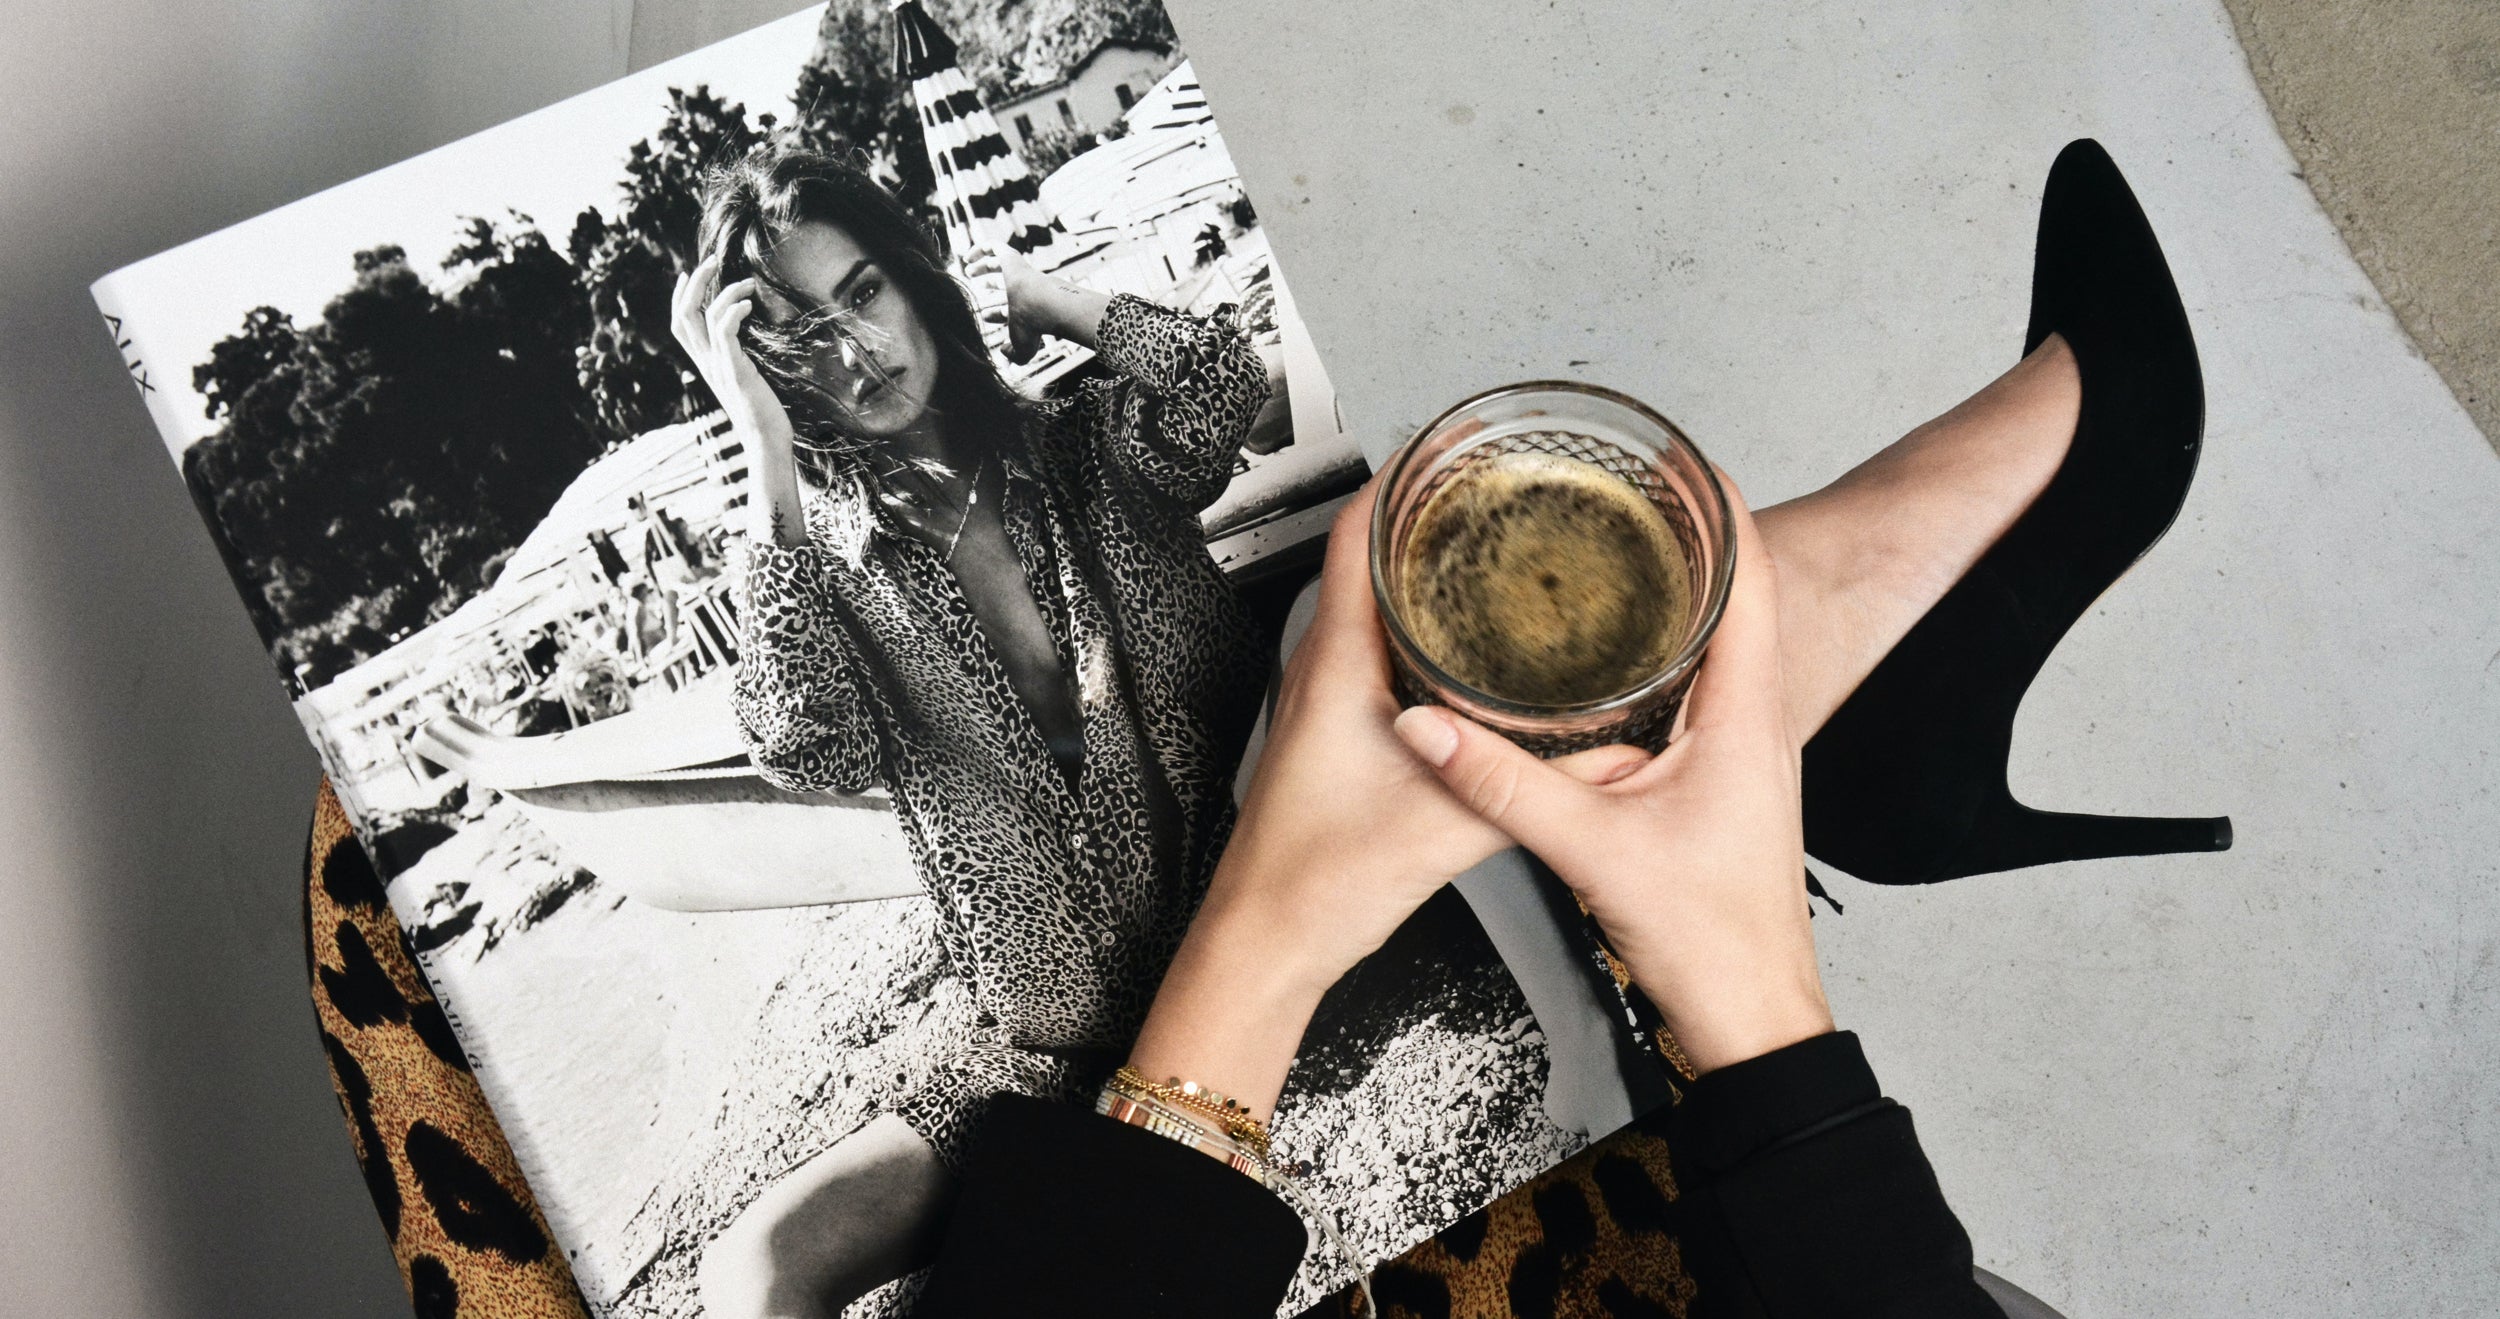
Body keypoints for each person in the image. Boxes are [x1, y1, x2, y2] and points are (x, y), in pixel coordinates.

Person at [686, 138, 2208, 1315]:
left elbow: (1222, 384)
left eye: (863, 294)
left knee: (1344, 616)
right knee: (753, 1275)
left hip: (1263, 869)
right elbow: (798, 736)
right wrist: (756, 442)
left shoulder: (1082, 442)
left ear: (909, 278)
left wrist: (1029, 294)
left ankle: (1817, 703)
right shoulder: (822, 565)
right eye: (795, 340)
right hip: (1035, 1046)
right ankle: (1871, 648)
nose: (852, 352)